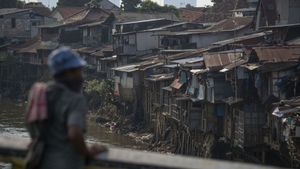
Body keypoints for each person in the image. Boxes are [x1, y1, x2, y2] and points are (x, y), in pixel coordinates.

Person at [26, 47, 107, 169]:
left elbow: (32, 127)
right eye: (79, 71)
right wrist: (88, 152)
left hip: (40, 162)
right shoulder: (75, 99)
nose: (81, 76)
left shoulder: (40, 93)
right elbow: (74, 134)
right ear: (70, 72)